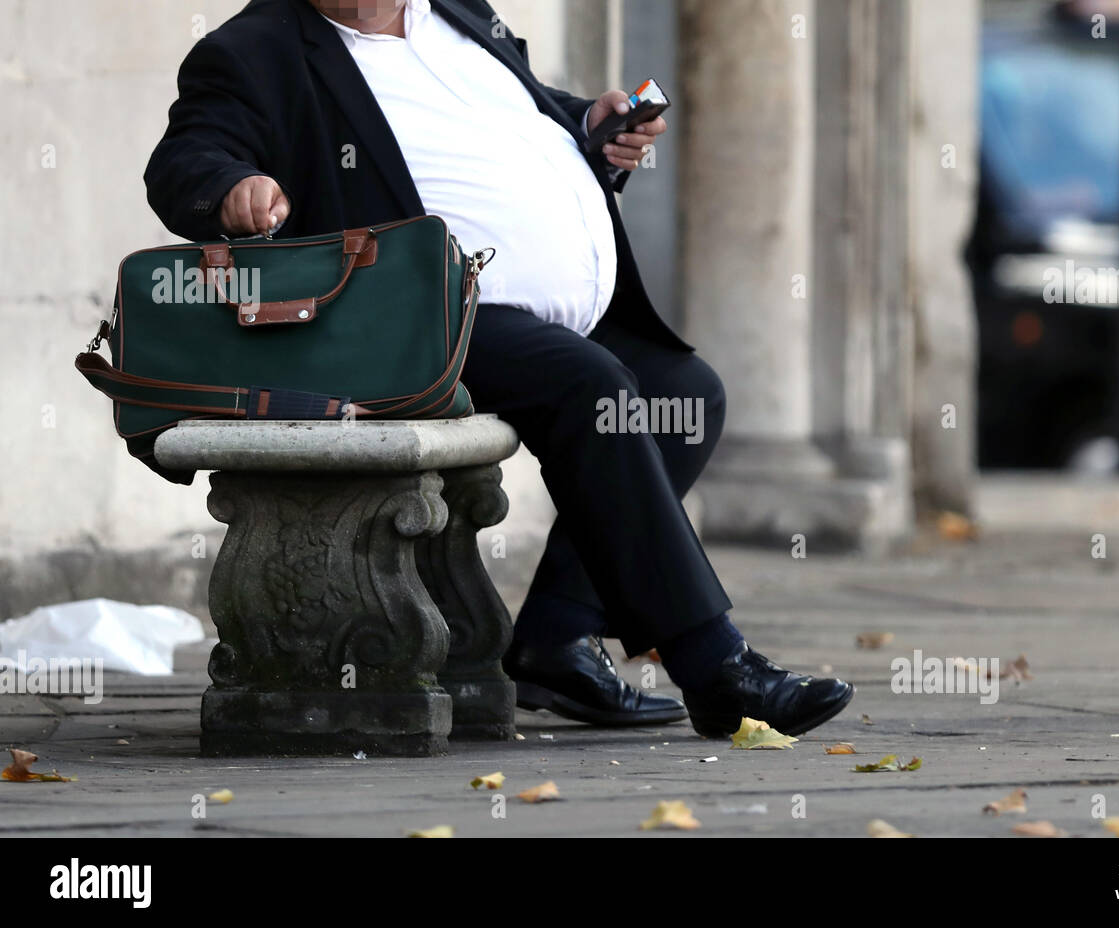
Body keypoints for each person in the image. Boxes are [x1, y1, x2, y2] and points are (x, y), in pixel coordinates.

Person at [144, 0, 854, 737]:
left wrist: (588, 127)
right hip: (419, 320)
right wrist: (231, 189)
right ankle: (715, 666)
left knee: (685, 392)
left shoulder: (455, 13)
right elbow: (182, 162)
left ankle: (557, 634)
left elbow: (520, 115)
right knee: (594, 386)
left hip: (553, 316)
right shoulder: (254, 49)